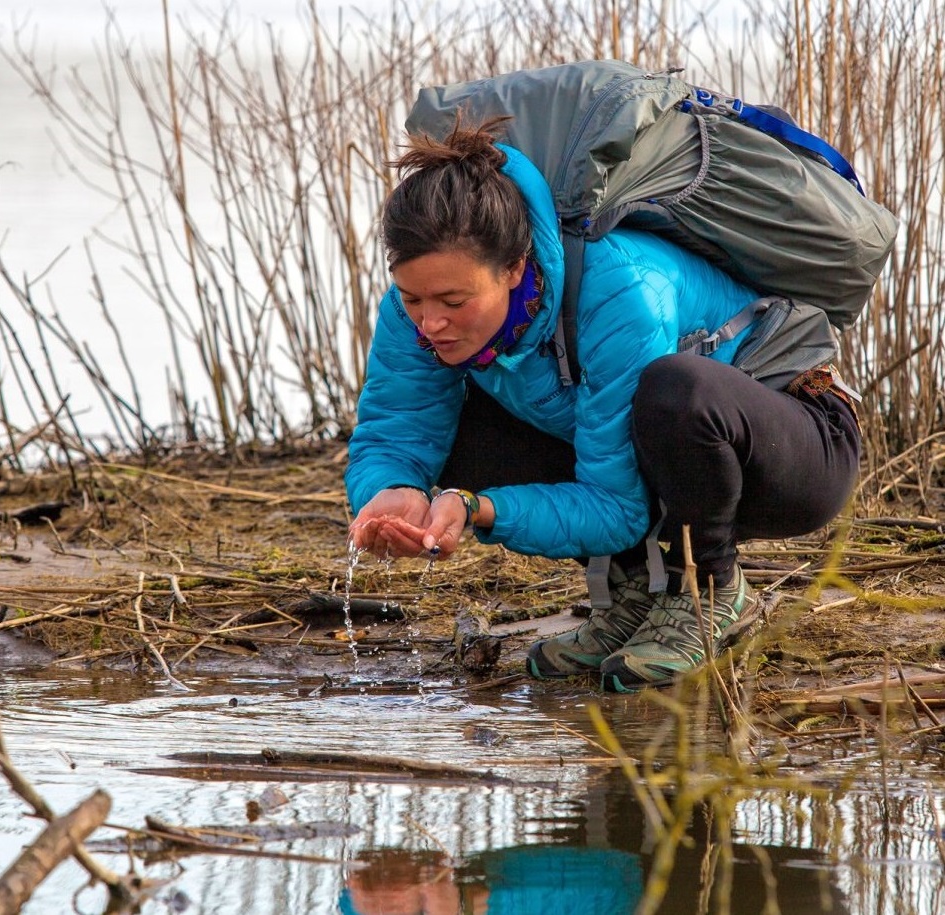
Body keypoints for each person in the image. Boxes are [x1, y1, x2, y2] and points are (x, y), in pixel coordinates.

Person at [344, 116, 861, 692]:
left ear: (515, 268)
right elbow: (396, 432)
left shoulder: (618, 289)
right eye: (412, 296)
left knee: (675, 392)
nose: (429, 321)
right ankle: (639, 594)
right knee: (460, 434)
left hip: (794, 443)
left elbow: (617, 506)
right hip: (661, 462)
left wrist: (477, 509)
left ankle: (709, 591)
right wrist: (393, 494)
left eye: (452, 300)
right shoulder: (412, 316)